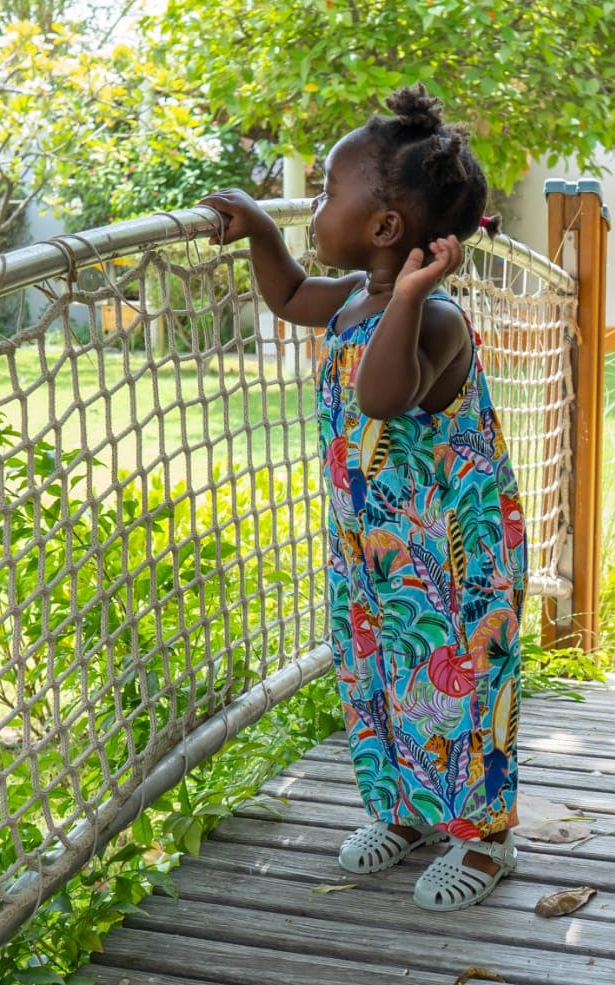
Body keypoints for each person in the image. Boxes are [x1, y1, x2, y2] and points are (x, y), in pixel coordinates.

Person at [199, 86, 524, 910]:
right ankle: (409, 807)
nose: (315, 201)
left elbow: (383, 395)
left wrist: (410, 297)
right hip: (373, 544)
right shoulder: (350, 296)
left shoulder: (434, 316)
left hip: (453, 554)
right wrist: (266, 234)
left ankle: (482, 839)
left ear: (384, 228)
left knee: (458, 682)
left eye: (326, 192)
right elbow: (285, 295)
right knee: (376, 671)